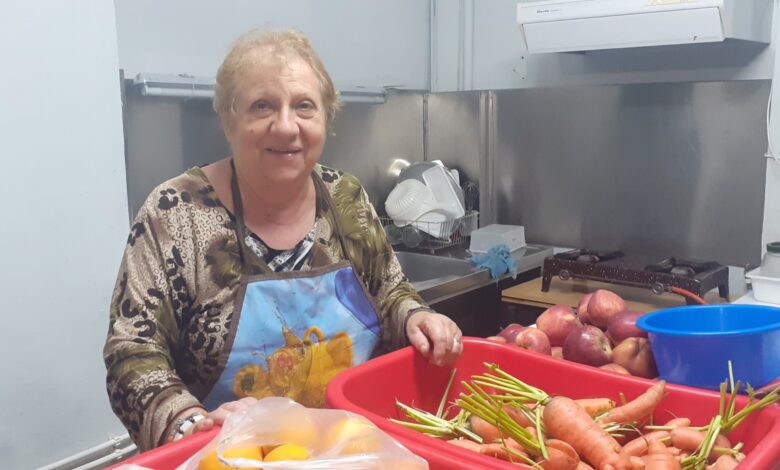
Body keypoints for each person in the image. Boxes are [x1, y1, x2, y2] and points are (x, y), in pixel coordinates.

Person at [104, 28, 463, 451]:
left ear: (326, 117)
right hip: (225, 456)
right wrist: (188, 423)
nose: (286, 126)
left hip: (348, 451)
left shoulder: (345, 198)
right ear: (228, 120)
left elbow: (389, 293)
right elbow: (133, 351)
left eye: (304, 106)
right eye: (262, 106)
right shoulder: (175, 213)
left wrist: (415, 317)